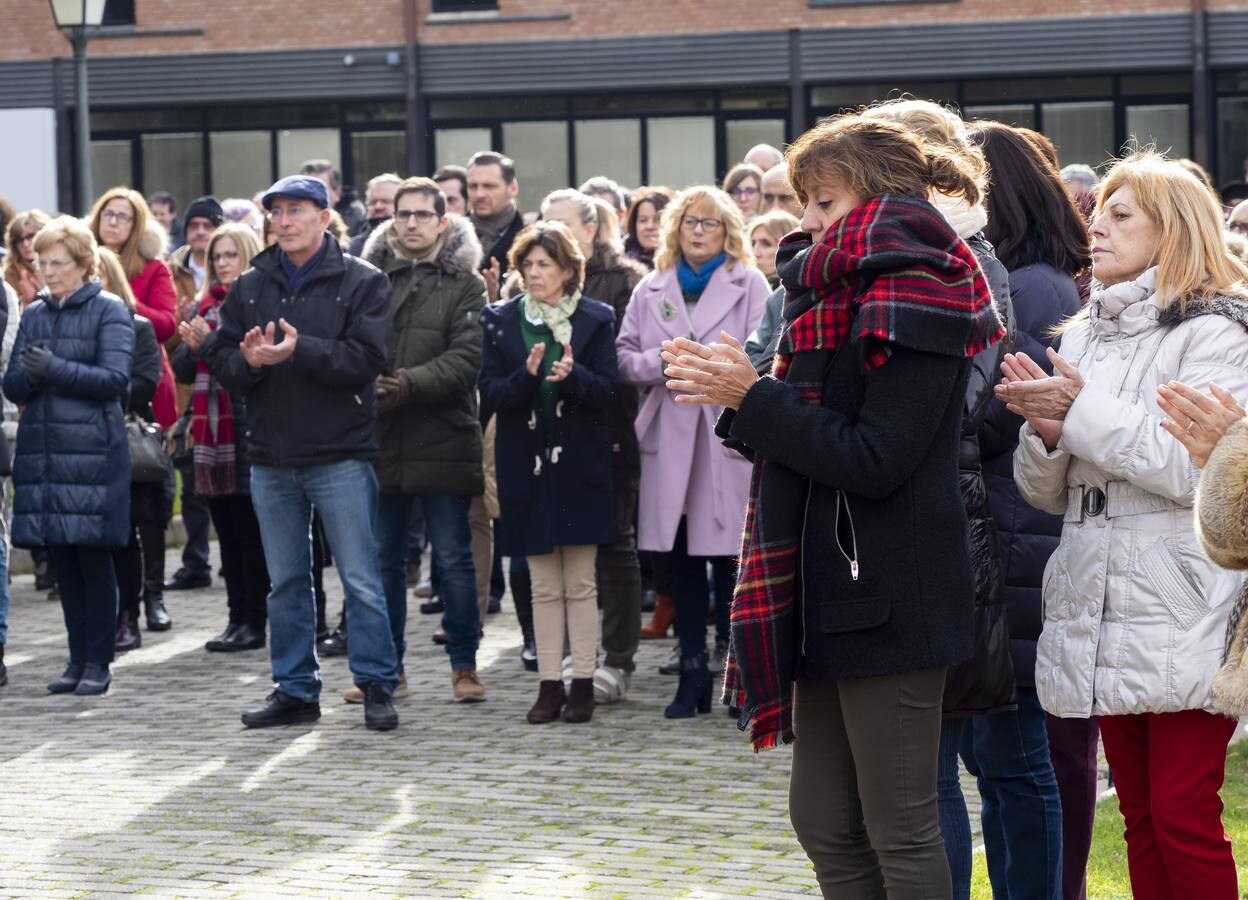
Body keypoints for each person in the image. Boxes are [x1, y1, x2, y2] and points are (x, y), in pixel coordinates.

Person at [665, 114, 1004, 896]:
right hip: (826, 588)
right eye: (803, 201)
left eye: (822, 202)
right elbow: (805, 431)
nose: (805, 221)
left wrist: (756, 400)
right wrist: (741, 397)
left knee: (902, 827)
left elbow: (877, 457)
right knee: (823, 820)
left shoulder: (923, 287)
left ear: (878, 195)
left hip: (895, 592)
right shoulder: (824, 290)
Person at [1002, 151, 1248, 900]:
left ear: (1171, 229)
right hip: (1095, 591)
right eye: (1096, 211)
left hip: (1185, 592)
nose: (1095, 227)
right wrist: (1045, 434)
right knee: (1138, 813)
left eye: (1119, 214)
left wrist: (1075, 413)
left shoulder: (1217, 331)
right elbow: (1049, 494)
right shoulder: (1079, 334)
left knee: (1181, 810)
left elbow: (1196, 474)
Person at [202, 174, 399, 732]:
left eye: (296, 210)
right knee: (285, 581)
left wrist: (297, 351)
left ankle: (376, 683)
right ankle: (294, 689)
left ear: (323, 214)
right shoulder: (250, 284)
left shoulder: (363, 281)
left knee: (360, 578)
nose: (284, 221)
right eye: (277, 212)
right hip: (271, 457)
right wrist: (252, 363)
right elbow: (223, 356)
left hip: (340, 453)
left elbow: (366, 360)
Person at [969, 120, 1093, 900]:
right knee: (1009, 757)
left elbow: (1013, 411)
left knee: (1032, 758)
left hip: (1027, 527)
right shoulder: (1021, 274)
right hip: (1012, 523)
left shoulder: (1039, 286)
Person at [616, 185, 770, 718]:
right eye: (690, 223)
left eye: (710, 223)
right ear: (676, 229)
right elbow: (625, 356)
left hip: (723, 433)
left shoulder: (749, 282)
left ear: (728, 231)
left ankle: (737, 673)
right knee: (678, 558)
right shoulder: (651, 287)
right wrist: (663, 364)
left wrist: (712, 366)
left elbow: (763, 349)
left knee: (732, 556)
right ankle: (690, 670)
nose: (699, 231)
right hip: (670, 432)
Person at [480, 220, 618, 724]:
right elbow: (489, 395)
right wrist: (528, 377)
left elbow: (609, 391)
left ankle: (582, 681)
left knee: (580, 582)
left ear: (568, 270)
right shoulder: (497, 320)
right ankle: (547, 684)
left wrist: (573, 377)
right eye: (528, 265)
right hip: (526, 466)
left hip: (580, 465)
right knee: (541, 583)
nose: (535, 273)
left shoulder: (596, 318)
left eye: (546, 264)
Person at [359, 176, 488, 704]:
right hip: (380, 439)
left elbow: (466, 359)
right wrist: (369, 382)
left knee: (453, 559)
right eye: (402, 214)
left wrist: (406, 383)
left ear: (442, 221)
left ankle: (464, 665)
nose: (411, 223)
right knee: (383, 560)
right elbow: (354, 344)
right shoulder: (367, 279)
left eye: (422, 214)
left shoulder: (466, 282)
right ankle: (388, 670)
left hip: (445, 437)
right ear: (392, 220)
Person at [4, 216, 135, 697]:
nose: (49, 271)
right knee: (63, 558)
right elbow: (11, 383)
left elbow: (115, 382)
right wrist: (32, 377)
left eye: (58, 263)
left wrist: (54, 368)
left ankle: (98, 660)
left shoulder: (109, 311)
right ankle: (76, 658)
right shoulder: (35, 313)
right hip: (46, 452)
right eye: (43, 262)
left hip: (92, 453)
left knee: (92, 559)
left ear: (83, 264)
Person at [542, 189, 648, 701]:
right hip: (550, 439)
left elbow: (621, 369)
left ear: (590, 229)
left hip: (610, 431)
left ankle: (618, 659)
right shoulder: (532, 286)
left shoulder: (624, 281)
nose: (550, 236)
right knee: (559, 549)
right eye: (543, 226)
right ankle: (568, 655)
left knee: (614, 547)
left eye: (561, 226)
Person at [174, 223, 269, 653]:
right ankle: (236, 619)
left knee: (250, 534)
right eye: (217, 257)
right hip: (212, 438)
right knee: (226, 532)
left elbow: (246, 368)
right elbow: (183, 371)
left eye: (231, 255)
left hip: (250, 429)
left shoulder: (258, 303)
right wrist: (190, 343)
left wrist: (209, 342)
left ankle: (256, 620)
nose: (223, 263)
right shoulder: (202, 305)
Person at [95, 248, 165, 654]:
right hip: (80, 442)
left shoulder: (137, 327)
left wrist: (94, 384)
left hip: (123, 438)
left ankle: (130, 615)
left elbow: (145, 384)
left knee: (127, 533)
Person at [166, 196, 227, 598]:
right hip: (186, 390)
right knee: (190, 482)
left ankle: (232, 560)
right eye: (194, 226)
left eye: (208, 226)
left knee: (225, 483)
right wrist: (181, 322)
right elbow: (166, 341)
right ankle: (195, 560)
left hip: (223, 393)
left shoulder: (232, 266)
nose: (200, 233)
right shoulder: (172, 272)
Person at [467, 151, 525, 300]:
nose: (479, 194)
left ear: (512, 188)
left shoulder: (529, 237)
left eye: (489, 186)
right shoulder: (451, 237)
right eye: (473, 186)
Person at [300, 159, 369, 238]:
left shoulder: (356, 220)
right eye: (306, 189)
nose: (310, 195)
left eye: (319, 188)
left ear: (337, 193)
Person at [5, 210, 50, 308]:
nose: (25, 244)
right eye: (19, 240)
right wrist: (26, 302)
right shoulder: (10, 275)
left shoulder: (63, 264)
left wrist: (46, 290)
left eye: (31, 236)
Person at [349, 173, 402, 257]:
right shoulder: (354, 247)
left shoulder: (409, 244)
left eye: (385, 201)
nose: (378, 206)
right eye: (373, 202)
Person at [623, 187, 672, 271]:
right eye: (643, 220)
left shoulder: (684, 265)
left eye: (657, 220)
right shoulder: (618, 266)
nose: (649, 226)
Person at [747, 209, 799, 288]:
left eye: (766, 244)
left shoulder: (798, 290)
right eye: (753, 243)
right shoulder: (745, 284)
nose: (755, 253)